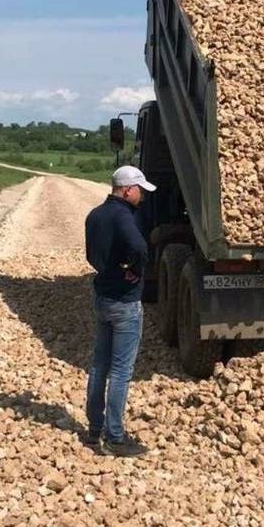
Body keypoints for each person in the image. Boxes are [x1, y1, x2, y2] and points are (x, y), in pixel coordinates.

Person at [84, 165, 156, 457]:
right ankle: (114, 437)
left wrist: (110, 270)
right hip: (125, 303)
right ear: (128, 190)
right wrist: (136, 271)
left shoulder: (96, 215)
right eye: (140, 190)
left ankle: (93, 430)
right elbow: (139, 246)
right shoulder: (123, 215)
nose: (142, 196)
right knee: (121, 371)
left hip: (102, 297)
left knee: (99, 365)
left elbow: (91, 255)